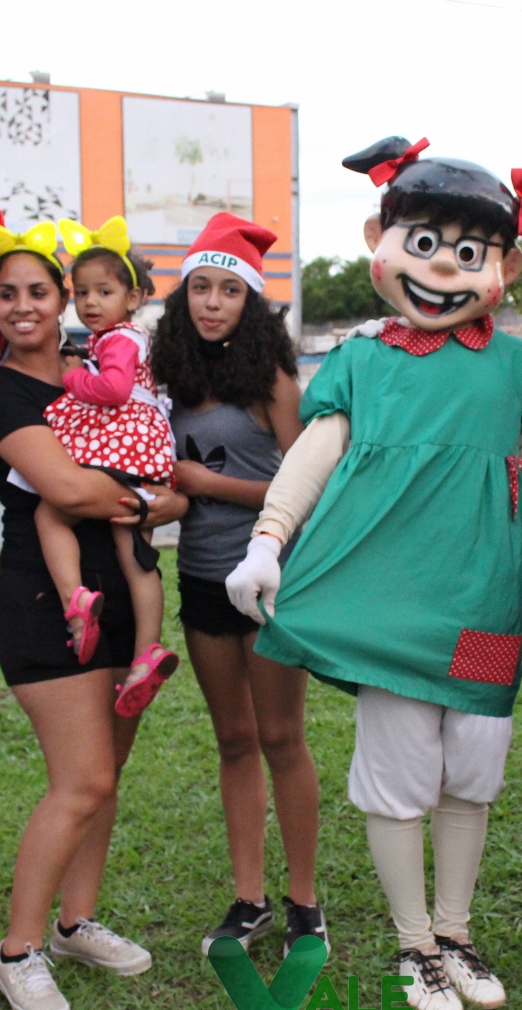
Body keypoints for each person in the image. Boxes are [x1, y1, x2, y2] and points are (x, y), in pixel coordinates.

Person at [227, 136, 522, 1010]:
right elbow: (314, 454)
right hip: (387, 610)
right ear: (380, 242)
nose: (444, 268)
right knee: (399, 772)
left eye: (470, 251)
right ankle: (415, 943)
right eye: (423, 244)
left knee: (473, 771)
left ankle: (456, 932)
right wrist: (268, 540)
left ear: (505, 267)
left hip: (486, 605)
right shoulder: (361, 361)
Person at [0, 228, 189, 1010]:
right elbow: (68, 489)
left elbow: (167, 471)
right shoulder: (2, 395)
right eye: (7, 294)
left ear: (63, 297)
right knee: (83, 781)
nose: (23, 306)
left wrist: (171, 498)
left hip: (124, 595)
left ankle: (74, 924)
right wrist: (153, 501)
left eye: (37, 291)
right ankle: (17, 952)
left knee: (108, 775)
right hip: (47, 601)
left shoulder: (97, 368)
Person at [150, 213, 327, 958]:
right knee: (233, 741)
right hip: (200, 578)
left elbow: (309, 486)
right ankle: (249, 899)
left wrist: (208, 483)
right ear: (184, 296)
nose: (212, 302)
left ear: (250, 300)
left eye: (228, 290)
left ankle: (305, 904)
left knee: (281, 737)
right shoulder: (170, 376)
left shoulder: (272, 378)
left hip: (270, 578)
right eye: (201, 288)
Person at [16, 216, 179, 718]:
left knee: (51, 514)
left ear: (133, 297)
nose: (90, 302)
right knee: (136, 555)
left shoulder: (119, 340)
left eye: (104, 292)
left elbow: (112, 389)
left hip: (121, 449)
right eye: (82, 292)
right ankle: (147, 652)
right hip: (142, 453)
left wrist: (72, 378)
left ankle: (76, 602)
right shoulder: (122, 336)